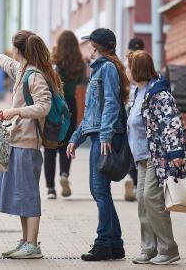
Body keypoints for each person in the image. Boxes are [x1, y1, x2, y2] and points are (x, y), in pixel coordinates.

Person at [0, 30, 61, 259]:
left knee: (28, 195)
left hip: (28, 144)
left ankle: (33, 245)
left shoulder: (35, 76)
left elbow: (44, 106)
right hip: (17, 143)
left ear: (20, 50)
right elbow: (6, 63)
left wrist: (15, 111)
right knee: (21, 195)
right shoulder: (21, 70)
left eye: (13, 47)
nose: (11, 52)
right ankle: (25, 242)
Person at [67, 28, 130, 261]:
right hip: (98, 136)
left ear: (98, 46)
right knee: (100, 190)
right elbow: (92, 112)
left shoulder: (108, 69)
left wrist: (104, 136)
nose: (88, 47)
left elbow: (112, 105)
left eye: (91, 44)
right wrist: (75, 138)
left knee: (100, 190)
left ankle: (104, 243)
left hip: (106, 138)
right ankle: (114, 243)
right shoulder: (98, 70)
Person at [126, 50, 186, 265]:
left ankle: (168, 248)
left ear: (136, 69)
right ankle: (149, 249)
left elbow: (171, 124)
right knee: (142, 199)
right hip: (142, 157)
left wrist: (176, 153)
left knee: (152, 199)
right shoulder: (137, 92)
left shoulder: (159, 94)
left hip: (159, 156)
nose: (126, 71)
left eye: (129, 67)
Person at [44, 30, 84, 199]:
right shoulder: (79, 64)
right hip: (70, 105)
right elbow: (81, 81)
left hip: (55, 105)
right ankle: (64, 175)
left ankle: (51, 189)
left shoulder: (53, 62)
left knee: (50, 147)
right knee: (67, 143)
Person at [124, 37, 145, 201]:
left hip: (131, 113)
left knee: (131, 147)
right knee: (134, 146)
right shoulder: (148, 68)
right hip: (135, 113)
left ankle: (132, 178)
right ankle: (136, 183)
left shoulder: (128, 69)